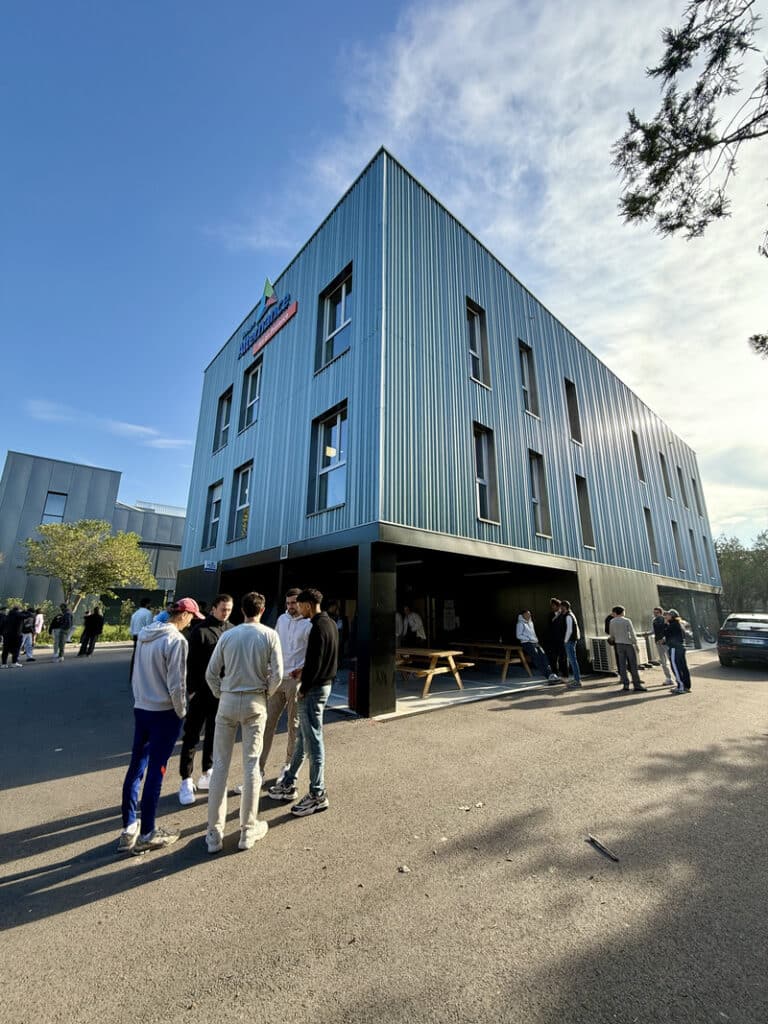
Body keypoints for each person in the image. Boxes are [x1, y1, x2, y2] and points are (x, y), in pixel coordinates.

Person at [118, 597, 204, 854]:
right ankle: (148, 832)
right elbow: (177, 682)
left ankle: (128, 828)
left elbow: (135, 672)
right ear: (185, 615)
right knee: (157, 769)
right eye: (191, 618)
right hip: (164, 712)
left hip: (142, 707)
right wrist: (182, 711)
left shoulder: (145, 634)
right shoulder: (176, 641)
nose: (190, 624)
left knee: (136, 767)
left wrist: (139, 698)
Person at [204, 591, 282, 854]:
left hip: (227, 700)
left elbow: (211, 672)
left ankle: (213, 833)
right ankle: (247, 830)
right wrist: (266, 692)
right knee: (251, 765)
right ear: (262, 610)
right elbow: (278, 674)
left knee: (221, 766)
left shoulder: (228, 635)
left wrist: (221, 692)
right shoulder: (270, 635)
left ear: (242, 610)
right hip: (254, 701)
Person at [268, 588, 338, 817]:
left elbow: (316, 662)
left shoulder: (316, 627)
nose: (297, 608)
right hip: (322, 684)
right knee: (302, 738)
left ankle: (318, 793)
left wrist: (304, 687)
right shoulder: (329, 624)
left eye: (300, 604)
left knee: (313, 741)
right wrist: (304, 671)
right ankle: (288, 782)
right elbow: (324, 660)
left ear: (308, 605)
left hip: (313, 690)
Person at [177, 593, 234, 804]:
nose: (226, 613)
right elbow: (189, 663)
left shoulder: (232, 630)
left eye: (229, 609)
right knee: (191, 736)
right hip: (200, 693)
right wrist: (191, 690)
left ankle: (207, 771)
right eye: (222, 609)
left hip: (220, 693)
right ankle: (185, 779)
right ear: (213, 608)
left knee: (213, 734)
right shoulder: (199, 631)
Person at [259, 588, 312, 787]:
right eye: (288, 603)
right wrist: (270, 668)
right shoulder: (281, 619)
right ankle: (258, 770)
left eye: (294, 603)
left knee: (293, 726)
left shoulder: (308, 624)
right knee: (267, 723)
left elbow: (313, 652)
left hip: (295, 681)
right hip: (278, 678)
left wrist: (304, 670)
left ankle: (288, 767)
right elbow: (275, 645)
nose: (291, 606)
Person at [608, 605, 648, 693]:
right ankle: (637, 684)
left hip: (618, 644)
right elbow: (632, 633)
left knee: (622, 665)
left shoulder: (612, 621)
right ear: (622, 612)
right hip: (628, 644)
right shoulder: (627, 620)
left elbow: (611, 634)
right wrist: (635, 643)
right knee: (633, 664)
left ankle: (625, 684)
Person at [515, 611, 561, 682]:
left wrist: (536, 640)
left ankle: (551, 674)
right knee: (537, 658)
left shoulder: (531, 622)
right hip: (527, 643)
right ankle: (548, 675)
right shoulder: (520, 624)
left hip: (535, 642)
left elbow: (533, 633)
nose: (529, 615)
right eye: (527, 614)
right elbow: (518, 635)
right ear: (523, 615)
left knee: (544, 656)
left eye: (529, 614)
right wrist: (529, 639)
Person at [662, 609, 691, 694]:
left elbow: (665, 632)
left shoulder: (672, 625)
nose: (666, 616)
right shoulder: (678, 624)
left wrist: (665, 623)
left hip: (675, 648)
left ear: (672, 616)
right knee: (683, 667)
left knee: (676, 667)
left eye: (668, 615)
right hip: (680, 647)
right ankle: (686, 686)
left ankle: (681, 686)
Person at [559, 600, 582, 689]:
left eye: (561, 606)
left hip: (569, 641)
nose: (560, 608)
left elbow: (569, 630)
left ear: (564, 607)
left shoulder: (568, 616)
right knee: (573, 660)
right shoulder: (571, 614)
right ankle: (576, 679)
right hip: (572, 640)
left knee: (573, 660)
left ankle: (577, 681)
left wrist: (565, 640)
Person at [129, 597, 153, 681]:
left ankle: (132, 676)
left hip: (135, 635)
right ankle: (141, 677)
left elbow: (131, 627)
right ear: (147, 604)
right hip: (144, 636)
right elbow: (149, 627)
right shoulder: (148, 613)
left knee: (135, 655)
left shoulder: (135, 614)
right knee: (143, 657)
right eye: (150, 604)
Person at [544, 597, 566, 679]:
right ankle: (555, 672)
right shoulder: (550, 615)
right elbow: (549, 626)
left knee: (563, 657)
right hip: (552, 640)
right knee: (553, 657)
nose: (552, 607)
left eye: (554, 605)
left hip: (561, 639)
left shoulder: (563, 615)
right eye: (551, 605)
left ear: (558, 606)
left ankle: (564, 673)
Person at [651, 606, 674, 686]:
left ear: (661, 613)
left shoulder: (665, 620)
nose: (655, 614)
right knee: (663, 662)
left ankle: (676, 677)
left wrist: (664, 638)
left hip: (666, 642)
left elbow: (669, 630)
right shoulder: (654, 620)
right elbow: (653, 631)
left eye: (657, 613)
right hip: (658, 642)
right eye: (654, 613)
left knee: (671, 660)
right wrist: (645, 634)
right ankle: (668, 678)